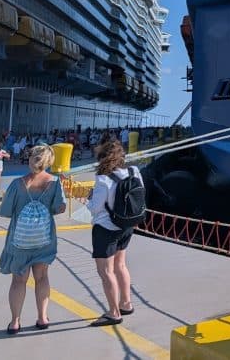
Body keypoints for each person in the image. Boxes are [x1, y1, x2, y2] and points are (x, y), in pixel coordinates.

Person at [0, 144, 66, 333]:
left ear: (31, 159)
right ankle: (42, 318)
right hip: (44, 239)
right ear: (49, 162)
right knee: (42, 278)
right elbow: (59, 208)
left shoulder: (17, 183)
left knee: (18, 281)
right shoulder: (55, 182)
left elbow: (4, 211)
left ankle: (15, 322)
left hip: (20, 241)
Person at [86, 139, 143, 326]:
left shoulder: (103, 179)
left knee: (105, 271)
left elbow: (95, 208)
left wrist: (89, 198)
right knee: (120, 265)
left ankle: (113, 313)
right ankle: (126, 303)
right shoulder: (134, 171)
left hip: (106, 229)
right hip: (127, 226)